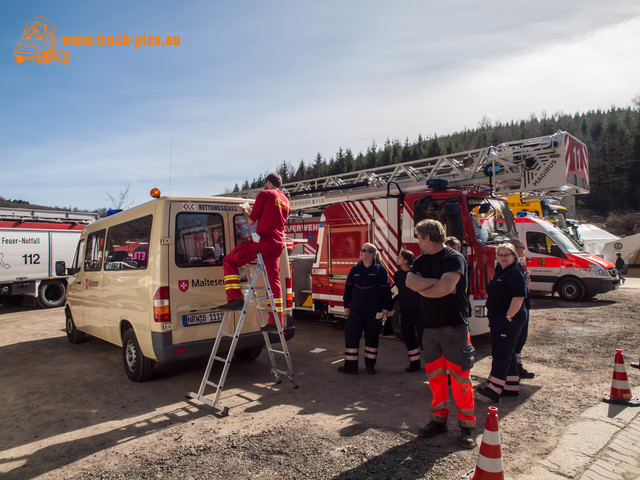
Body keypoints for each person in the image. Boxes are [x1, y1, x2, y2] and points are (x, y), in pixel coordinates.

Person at [406, 219, 476, 450]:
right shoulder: (421, 260)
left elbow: (446, 289)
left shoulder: (454, 258)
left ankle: (467, 428)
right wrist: (435, 284)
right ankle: (439, 420)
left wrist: (424, 287)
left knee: (460, 379)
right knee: (436, 379)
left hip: (454, 328)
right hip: (429, 329)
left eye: (418, 238)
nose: (418, 243)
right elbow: (409, 282)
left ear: (427, 237)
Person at [218, 173, 290, 331]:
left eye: (265, 183)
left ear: (268, 182)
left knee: (229, 261)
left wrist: (244, 210)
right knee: (274, 283)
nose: (264, 185)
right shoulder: (285, 201)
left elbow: (250, 221)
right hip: (277, 244)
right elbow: (271, 218)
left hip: (262, 242)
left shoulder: (264, 194)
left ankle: (235, 298)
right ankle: (274, 321)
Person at [475, 243, 528, 403]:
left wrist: (508, 317)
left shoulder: (514, 273)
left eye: (507, 254)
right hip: (500, 318)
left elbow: (519, 297)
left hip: (508, 319)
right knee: (508, 351)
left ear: (514, 256)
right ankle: (510, 386)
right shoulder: (502, 271)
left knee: (501, 353)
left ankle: (493, 389)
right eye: (501, 254)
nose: (503, 257)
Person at [338, 243, 392, 375]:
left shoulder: (380, 270)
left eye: (363, 250)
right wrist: (346, 305)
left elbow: (386, 291)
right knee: (351, 336)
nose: (361, 252)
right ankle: (351, 367)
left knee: (372, 337)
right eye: (361, 250)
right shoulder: (355, 269)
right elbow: (348, 288)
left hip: (373, 311)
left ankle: (370, 366)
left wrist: (386, 308)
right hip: (355, 310)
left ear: (371, 254)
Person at [508, 238, 535, 379]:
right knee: (515, 338)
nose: (524, 251)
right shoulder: (509, 266)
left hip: (524, 304)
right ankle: (513, 370)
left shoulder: (520, 264)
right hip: (516, 307)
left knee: (521, 337)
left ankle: (517, 366)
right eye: (521, 248)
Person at [394, 249, 423, 373]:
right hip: (405, 311)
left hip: (419, 311)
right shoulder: (398, 275)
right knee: (408, 337)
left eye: (399, 257)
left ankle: (434, 365)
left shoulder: (416, 273)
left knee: (423, 338)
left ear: (405, 260)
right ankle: (414, 363)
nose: (397, 258)